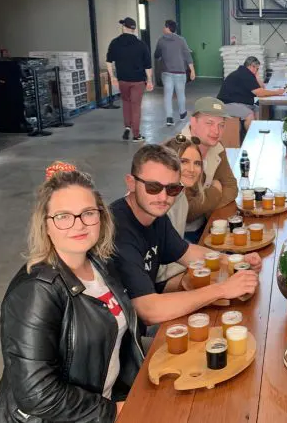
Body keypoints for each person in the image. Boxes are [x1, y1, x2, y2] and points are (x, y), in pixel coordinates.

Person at [0, 162, 142, 422]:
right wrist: (112, 412)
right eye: (63, 216)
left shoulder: (100, 264)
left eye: (88, 213)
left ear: (101, 217)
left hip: (101, 404)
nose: (79, 224)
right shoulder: (36, 291)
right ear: (46, 225)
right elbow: (37, 392)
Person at [111, 145, 260, 328]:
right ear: (131, 183)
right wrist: (222, 290)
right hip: (128, 347)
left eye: (172, 189)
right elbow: (149, 311)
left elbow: (187, 252)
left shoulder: (154, 216)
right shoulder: (118, 230)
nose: (163, 197)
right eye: (153, 187)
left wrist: (235, 261)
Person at [180, 97, 239, 237]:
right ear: (193, 122)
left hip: (205, 224)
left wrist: (204, 207)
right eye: (209, 123)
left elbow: (231, 187)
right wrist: (215, 191)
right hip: (179, 234)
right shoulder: (177, 151)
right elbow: (187, 212)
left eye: (221, 125)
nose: (216, 131)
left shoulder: (216, 147)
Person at [156, 134, 204, 284]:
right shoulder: (159, 203)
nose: (192, 169)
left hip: (171, 269)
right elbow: (159, 270)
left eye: (197, 163)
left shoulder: (181, 197)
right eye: (184, 162)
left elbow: (176, 249)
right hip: (157, 281)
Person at [107, 17, 153, 142]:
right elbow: (148, 66)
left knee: (126, 104)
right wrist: (149, 80)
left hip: (122, 80)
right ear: (133, 29)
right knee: (136, 107)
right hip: (138, 81)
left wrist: (112, 77)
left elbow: (109, 61)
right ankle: (136, 135)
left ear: (123, 27)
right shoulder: (141, 44)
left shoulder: (115, 43)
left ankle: (127, 127)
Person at [217, 56, 285, 131]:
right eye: (257, 68)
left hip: (239, 103)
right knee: (249, 115)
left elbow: (262, 87)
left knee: (259, 110)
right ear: (252, 66)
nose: (257, 70)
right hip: (227, 104)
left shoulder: (246, 73)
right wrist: (276, 92)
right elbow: (259, 92)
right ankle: (250, 137)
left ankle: (259, 131)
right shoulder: (244, 74)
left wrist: (256, 75)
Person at [154, 19, 195, 126]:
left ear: (168, 28)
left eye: (164, 26)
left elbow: (156, 55)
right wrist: (192, 70)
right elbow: (187, 55)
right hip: (180, 72)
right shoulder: (181, 40)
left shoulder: (161, 41)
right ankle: (182, 114)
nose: (163, 28)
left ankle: (169, 118)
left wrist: (161, 56)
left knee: (168, 95)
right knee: (181, 94)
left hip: (167, 72)